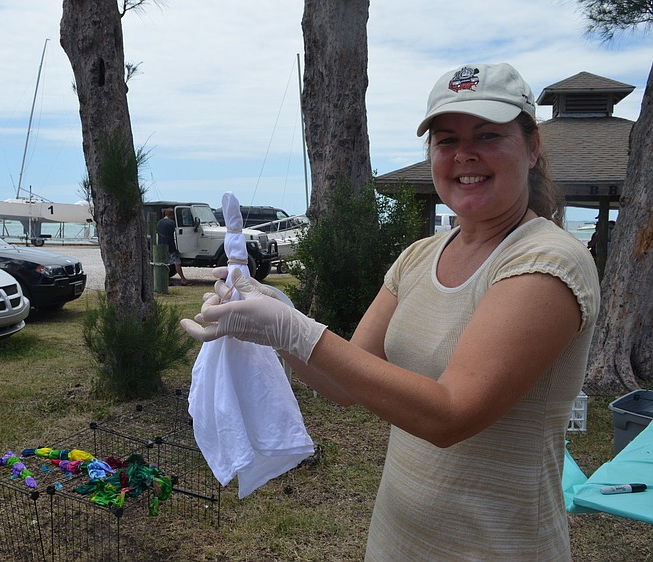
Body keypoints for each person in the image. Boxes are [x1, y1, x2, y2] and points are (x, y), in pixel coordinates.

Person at [181, 63, 600, 560]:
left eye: (487, 135)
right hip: (396, 539)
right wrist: (271, 315)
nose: (464, 154)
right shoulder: (419, 256)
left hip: (498, 546)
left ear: (532, 148)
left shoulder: (547, 261)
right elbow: (342, 384)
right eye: (446, 140)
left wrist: (293, 329)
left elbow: (451, 414)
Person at [157, 208, 189, 285]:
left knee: (165, 263)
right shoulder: (171, 223)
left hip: (161, 245)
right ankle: (183, 279)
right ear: (171, 215)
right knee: (177, 262)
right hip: (170, 245)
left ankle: (167, 280)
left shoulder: (159, 222)